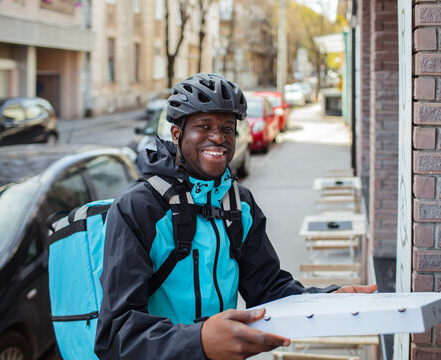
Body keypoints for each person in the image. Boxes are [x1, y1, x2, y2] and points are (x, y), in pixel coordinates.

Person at [94, 73, 376, 360]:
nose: (218, 137)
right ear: (177, 134)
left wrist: (326, 300)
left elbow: (268, 287)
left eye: (227, 128)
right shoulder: (138, 208)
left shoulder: (239, 203)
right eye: (204, 126)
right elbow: (116, 335)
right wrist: (199, 341)